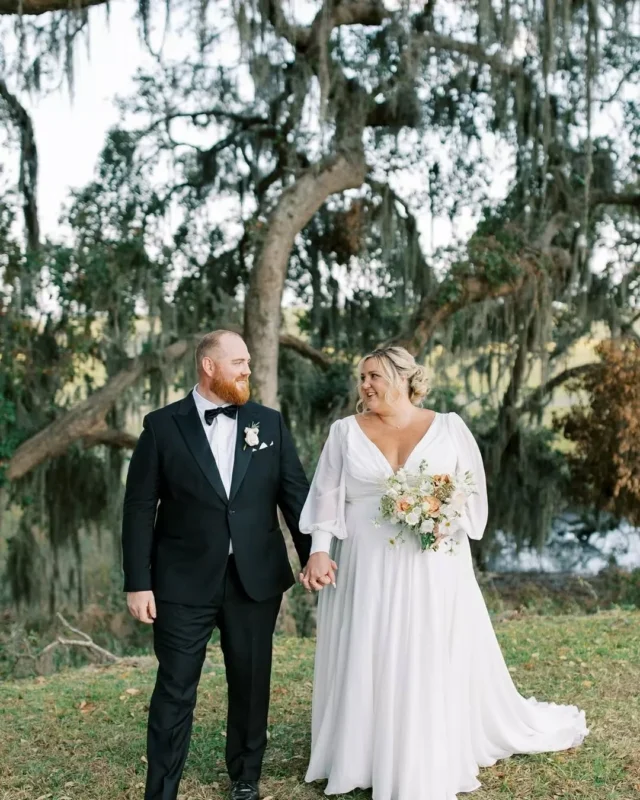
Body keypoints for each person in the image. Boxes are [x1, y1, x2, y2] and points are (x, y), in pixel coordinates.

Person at [299, 345, 588, 800]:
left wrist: (441, 516)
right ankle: (363, 753)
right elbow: (326, 496)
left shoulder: (449, 428)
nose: (365, 385)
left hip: (432, 562)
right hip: (364, 561)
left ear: (403, 378)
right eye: (362, 377)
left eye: (374, 376)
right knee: (369, 643)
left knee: (425, 646)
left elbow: (471, 498)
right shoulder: (344, 432)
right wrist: (319, 551)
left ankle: (425, 747)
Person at [122, 330, 310, 800]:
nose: (248, 369)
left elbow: (295, 495)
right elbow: (139, 508)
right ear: (209, 366)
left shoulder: (268, 423)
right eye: (238, 362)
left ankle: (245, 777)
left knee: (250, 680)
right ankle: (161, 788)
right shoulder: (162, 426)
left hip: (254, 578)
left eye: (247, 362)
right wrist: (138, 582)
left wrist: (314, 556)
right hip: (181, 582)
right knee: (175, 686)